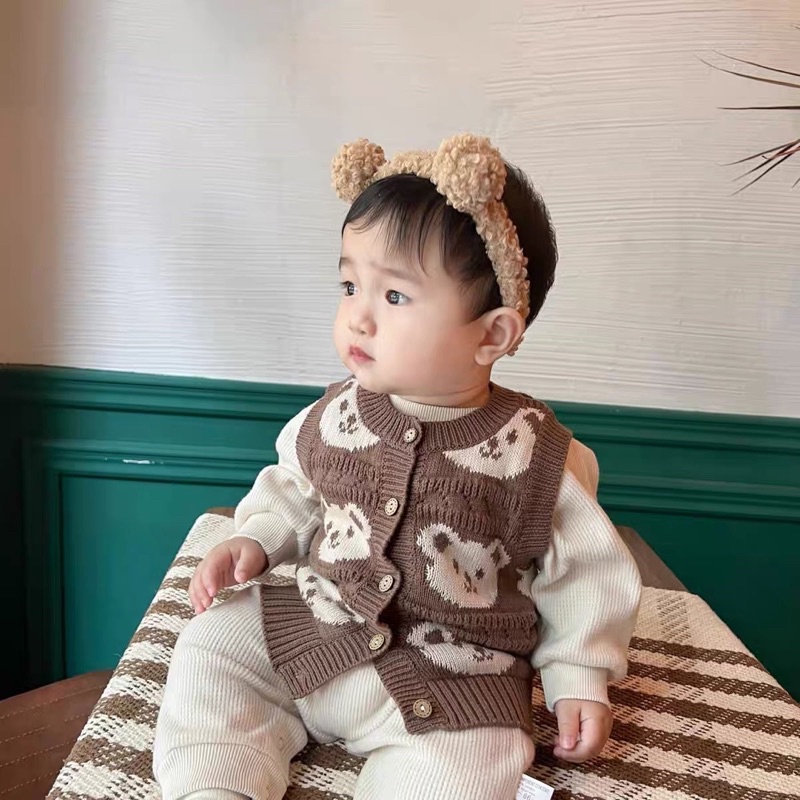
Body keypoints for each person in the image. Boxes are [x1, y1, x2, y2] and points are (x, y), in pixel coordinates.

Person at [153, 134, 642, 800]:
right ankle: (216, 785)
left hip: (454, 673)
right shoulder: (334, 416)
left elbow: (583, 573)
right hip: (317, 625)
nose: (358, 316)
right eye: (350, 284)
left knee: (484, 754)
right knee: (215, 646)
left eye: (394, 297)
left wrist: (578, 674)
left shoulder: (534, 453)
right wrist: (256, 540)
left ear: (492, 334)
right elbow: (295, 490)